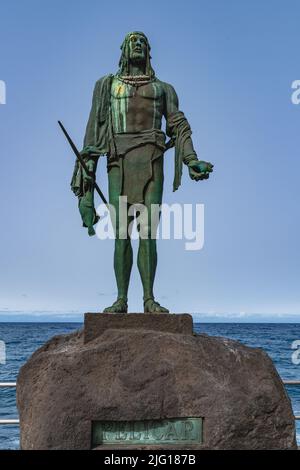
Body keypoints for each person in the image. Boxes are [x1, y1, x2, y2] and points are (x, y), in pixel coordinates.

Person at [71, 31, 213, 313]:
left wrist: (191, 159)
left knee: (148, 232)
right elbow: (93, 136)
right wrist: (88, 181)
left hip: (152, 161)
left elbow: (178, 125)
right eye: (132, 40)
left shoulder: (164, 89)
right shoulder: (107, 86)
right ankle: (121, 299)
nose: (137, 44)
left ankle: (149, 299)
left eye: (143, 41)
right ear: (123, 50)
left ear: (149, 51)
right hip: (118, 162)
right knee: (121, 233)